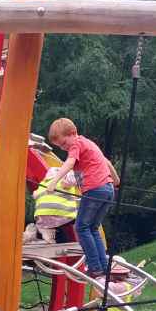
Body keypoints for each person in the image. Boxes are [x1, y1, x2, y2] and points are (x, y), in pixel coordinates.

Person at [45, 118, 119, 279]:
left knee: (81, 228)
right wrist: (116, 179)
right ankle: (103, 267)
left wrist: (54, 181)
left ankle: (95, 267)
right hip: (107, 189)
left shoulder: (76, 144)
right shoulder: (88, 144)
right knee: (92, 228)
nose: (64, 148)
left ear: (73, 133)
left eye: (64, 144)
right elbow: (103, 162)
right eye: (60, 147)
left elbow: (70, 163)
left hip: (94, 190)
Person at [28, 165, 80, 243]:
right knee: (81, 220)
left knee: (49, 224)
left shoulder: (43, 183)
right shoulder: (65, 178)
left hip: (42, 215)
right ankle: (81, 241)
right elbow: (71, 180)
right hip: (62, 213)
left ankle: (44, 232)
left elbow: (35, 195)